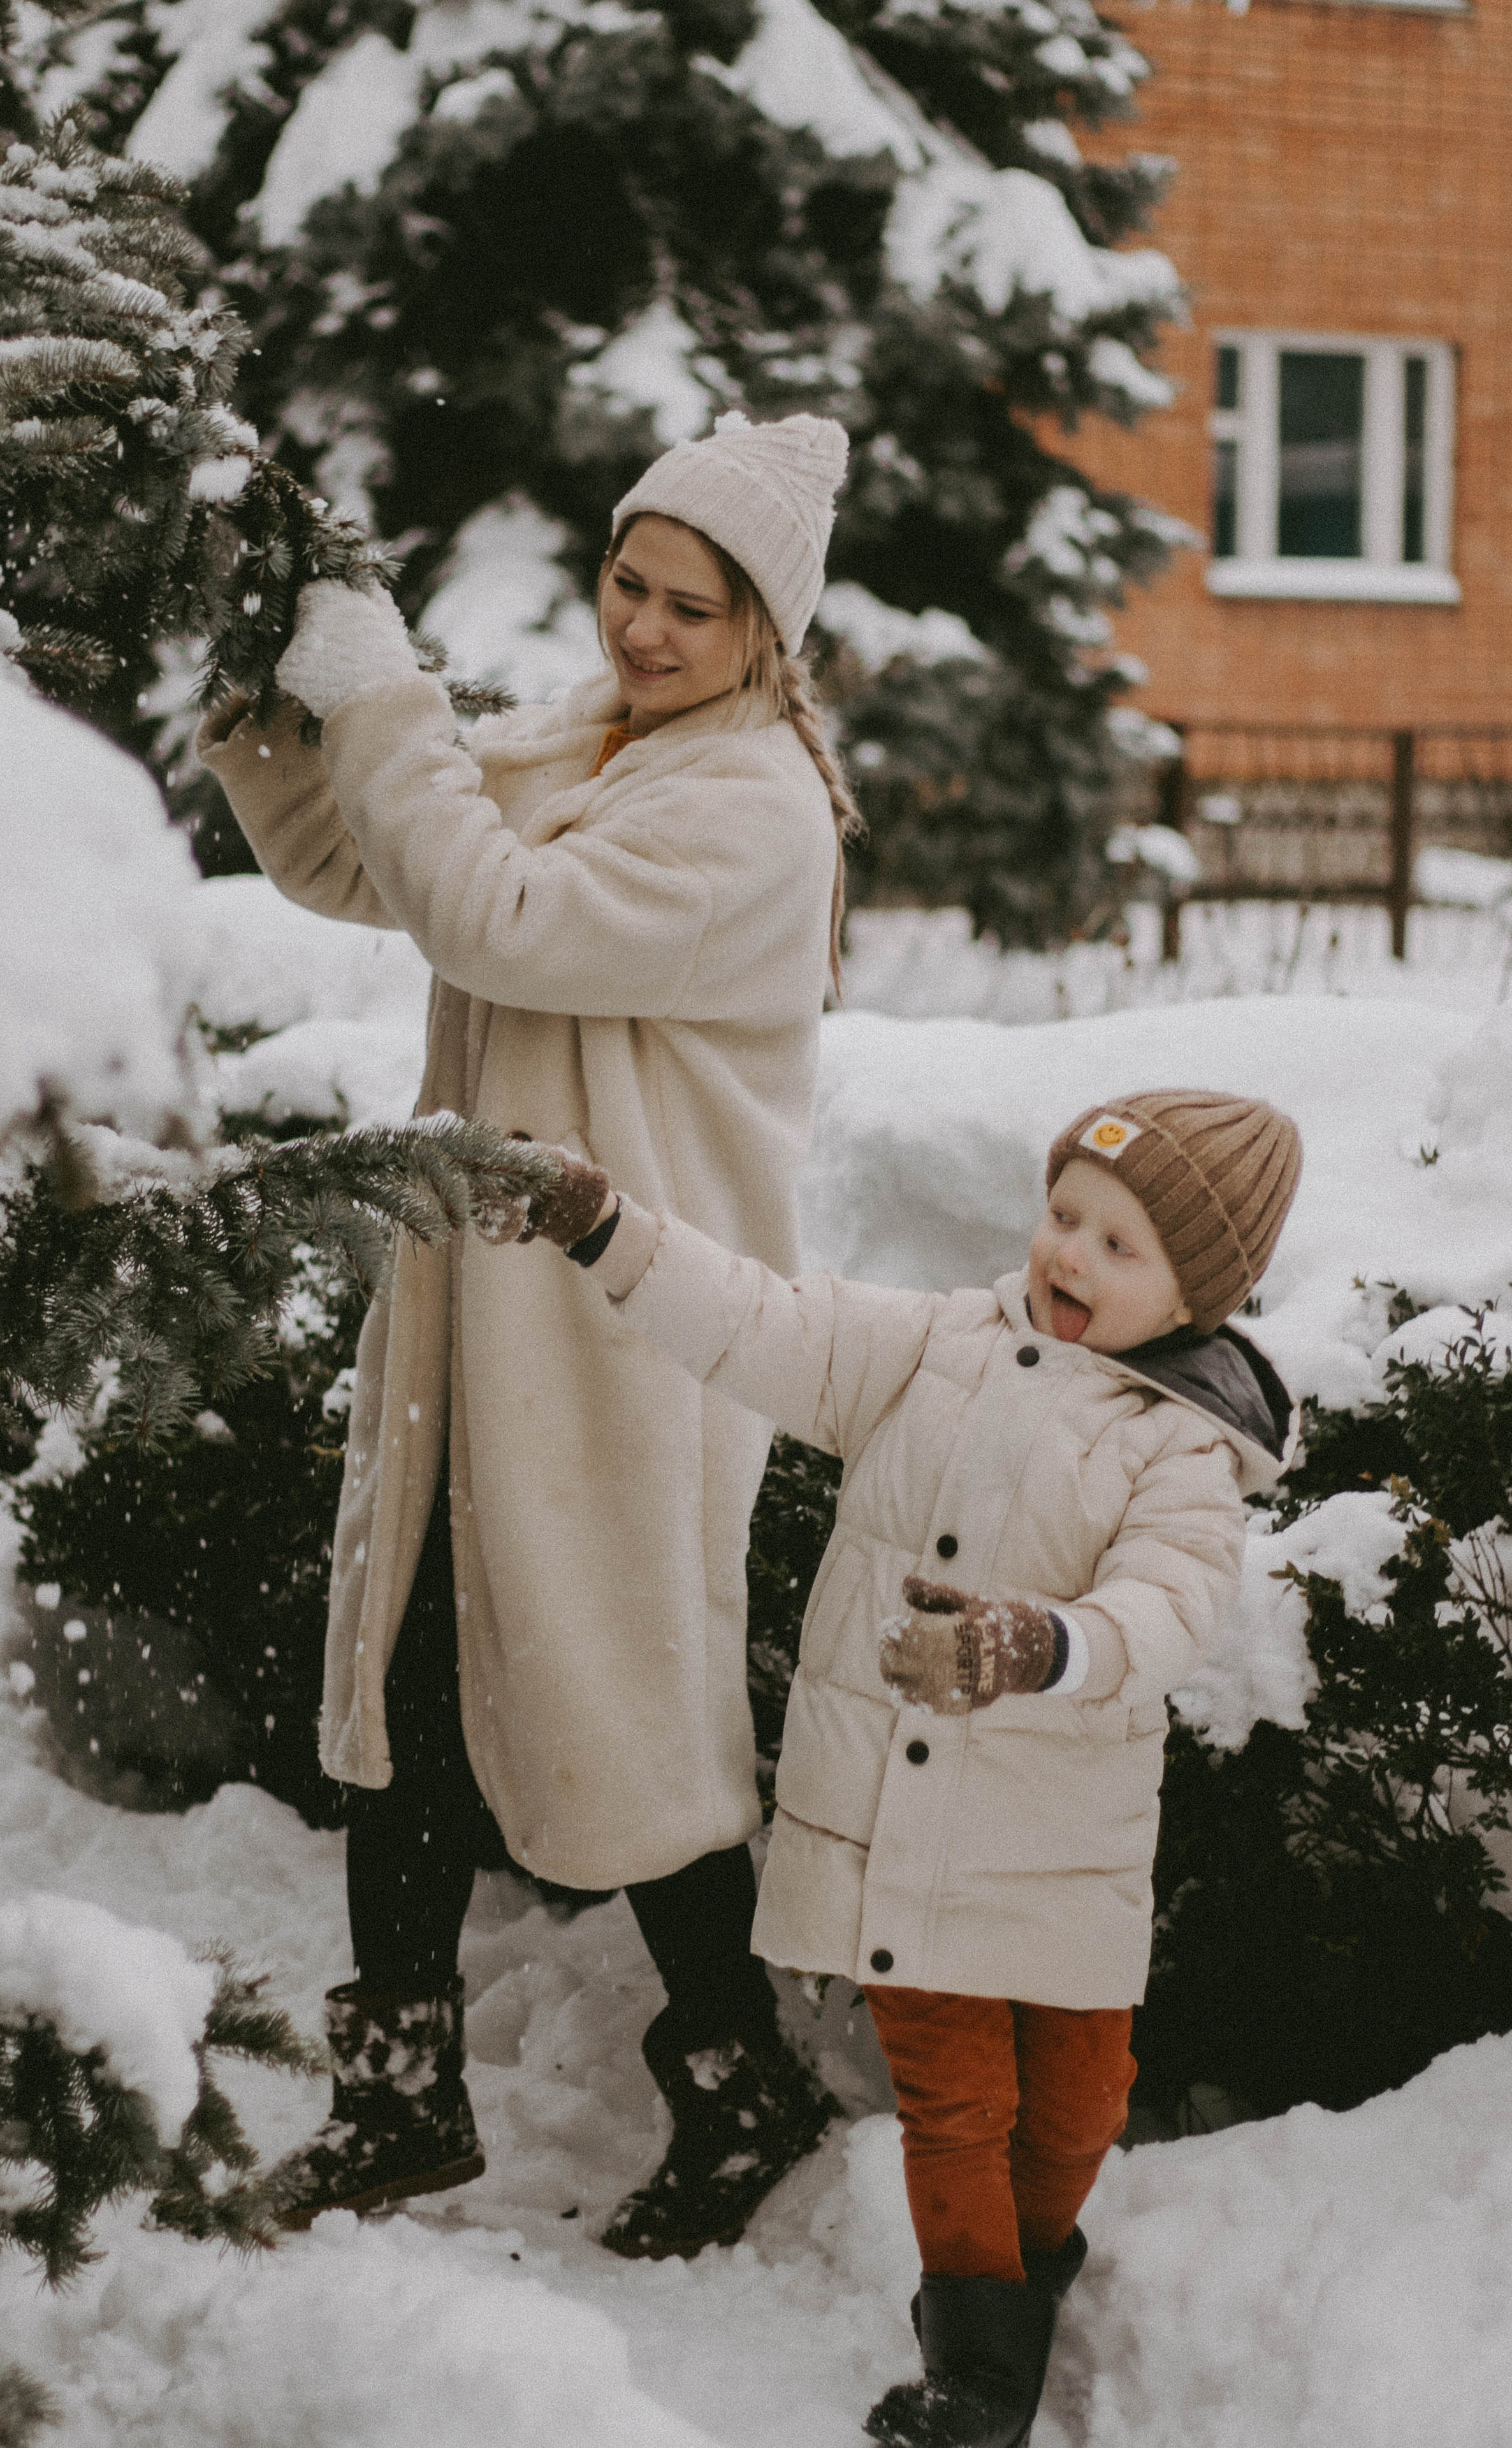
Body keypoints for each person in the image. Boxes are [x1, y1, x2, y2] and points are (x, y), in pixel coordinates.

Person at [194, 412, 860, 2252]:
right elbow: (366, 863)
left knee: (624, 1714)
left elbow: (491, 917)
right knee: (408, 1691)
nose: (641, 629)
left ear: (765, 639)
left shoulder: (750, 810)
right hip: (482, 1311)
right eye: (628, 583)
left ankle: (742, 2085)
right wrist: (274, 694)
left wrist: (387, 696)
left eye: (691, 610)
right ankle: (402, 2098)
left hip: (624, 1328)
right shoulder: (601, 736)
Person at [497, 1089, 1300, 2446]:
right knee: (956, 2099)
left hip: (1062, 1837)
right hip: (901, 1816)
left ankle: (1012, 2279)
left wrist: (1034, 1645)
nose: (1069, 1258)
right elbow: (762, 1324)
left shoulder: (1183, 1449)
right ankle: (977, 2371)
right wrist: (607, 1231)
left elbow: (1167, 1608)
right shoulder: (936, 1345)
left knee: (1074, 2108)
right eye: (1063, 1218)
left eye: (1121, 1247)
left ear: (1197, 1293)